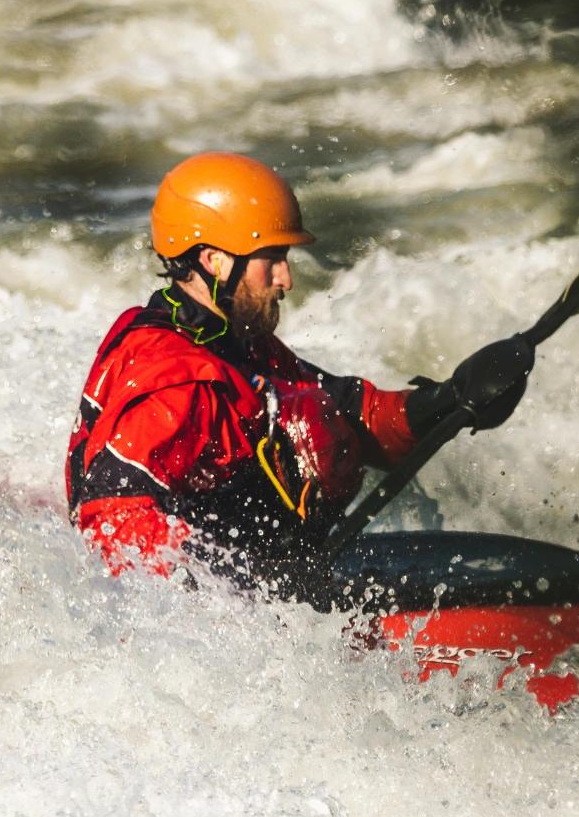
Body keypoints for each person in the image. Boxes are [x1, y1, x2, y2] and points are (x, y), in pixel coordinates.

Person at [65, 151, 532, 593]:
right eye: (272, 261)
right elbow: (111, 523)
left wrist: (448, 403)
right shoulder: (178, 381)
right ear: (215, 261)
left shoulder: (234, 343)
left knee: (312, 416)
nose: (286, 279)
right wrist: (249, 586)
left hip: (275, 579)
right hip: (218, 618)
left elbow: (354, 412)